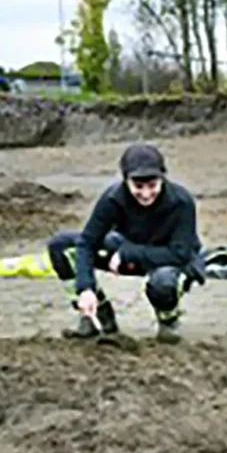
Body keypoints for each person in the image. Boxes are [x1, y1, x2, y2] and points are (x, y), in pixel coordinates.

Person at [47, 143, 204, 344]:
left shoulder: (181, 202)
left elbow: (180, 254)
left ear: (163, 178)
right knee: (61, 246)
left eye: (152, 185)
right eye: (138, 187)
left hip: (168, 260)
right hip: (122, 251)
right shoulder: (112, 198)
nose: (146, 194)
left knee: (162, 281)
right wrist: (85, 289)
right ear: (126, 180)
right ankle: (98, 318)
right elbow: (87, 243)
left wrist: (129, 253)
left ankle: (168, 321)